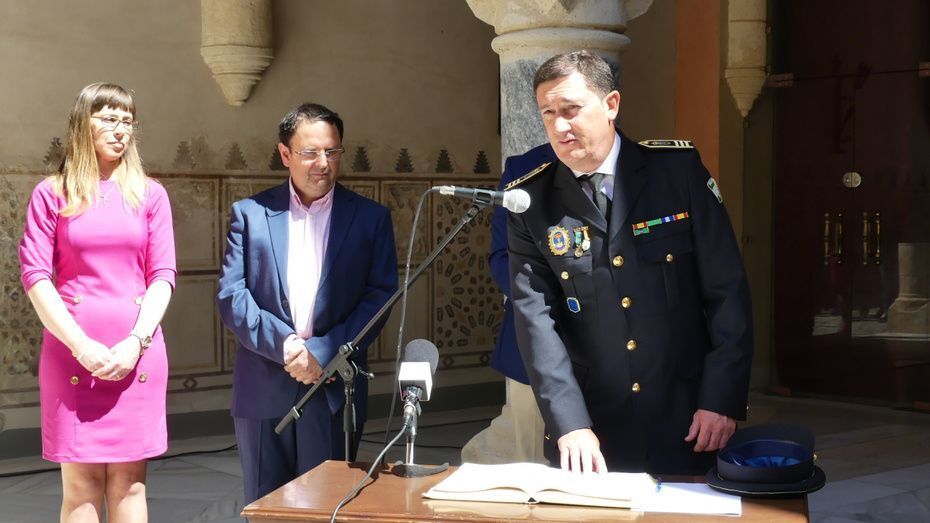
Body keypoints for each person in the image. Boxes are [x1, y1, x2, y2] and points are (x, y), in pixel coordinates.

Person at [506, 51, 753, 476]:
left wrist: (721, 397)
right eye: (548, 113)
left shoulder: (676, 173)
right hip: (592, 433)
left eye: (570, 110)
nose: (558, 126)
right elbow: (536, 322)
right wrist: (569, 422)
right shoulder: (531, 202)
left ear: (611, 105)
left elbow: (726, 289)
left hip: (689, 417)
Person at [216, 103, 398, 503]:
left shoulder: (370, 219)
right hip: (263, 386)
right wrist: (287, 347)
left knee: (326, 504)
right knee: (265, 504)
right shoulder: (251, 214)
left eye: (332, 152)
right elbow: (232, 296)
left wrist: (324, 352)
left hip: (332, 388)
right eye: (310, 153)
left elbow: (380, 296)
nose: (323, 163)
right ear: (285, 154)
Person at [19, 82, 176, 522]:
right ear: (81, 124)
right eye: (108, 119)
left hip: (137, 353)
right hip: (72, 353)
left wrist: (136, 342)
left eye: (128, 121)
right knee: (81, 486)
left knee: (131, 483)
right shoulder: (52, 193)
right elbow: (36, 277)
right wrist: (80, 345)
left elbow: (163, 276)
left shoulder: (150, 194)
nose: (121, 129)